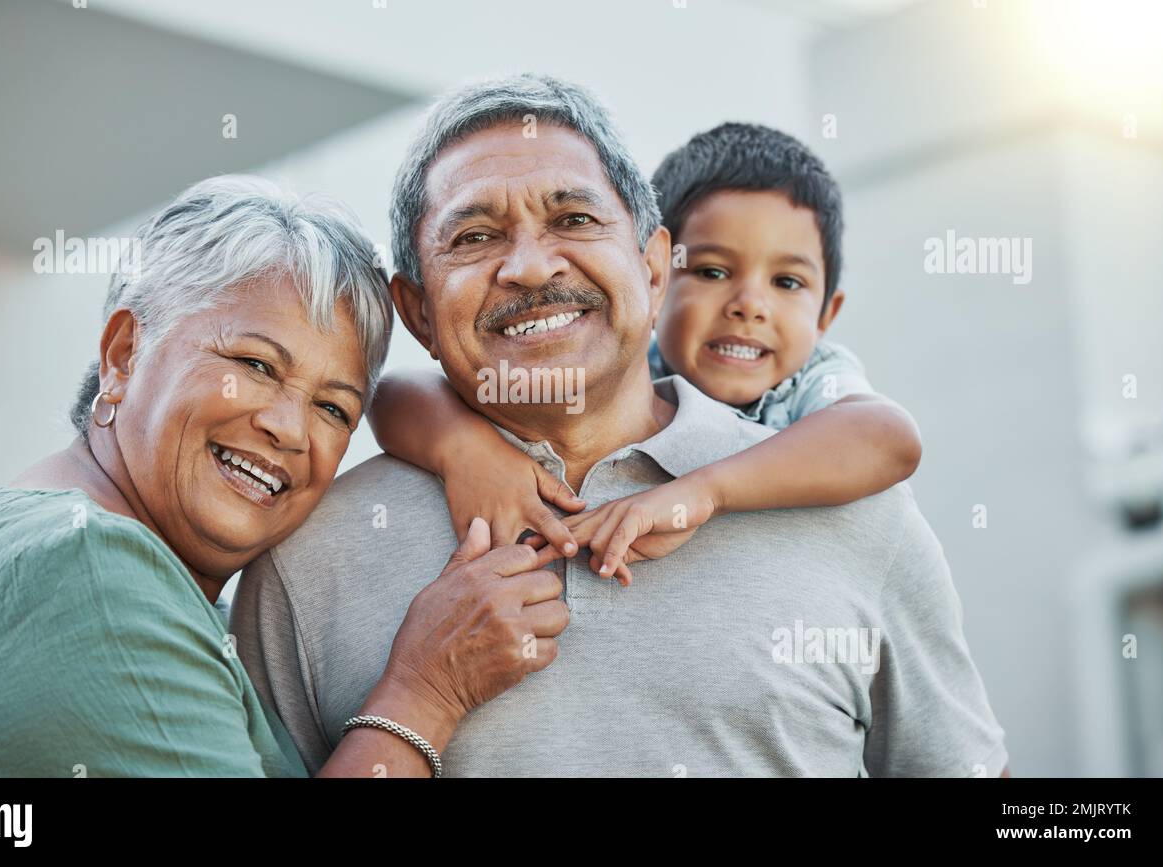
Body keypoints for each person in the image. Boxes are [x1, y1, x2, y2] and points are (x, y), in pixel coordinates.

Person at [231, 74, 1010, 777]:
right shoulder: (304, 561)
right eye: (474, 237)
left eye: (573, 217)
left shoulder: (852, 509)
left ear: (652, 265)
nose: (532, 268)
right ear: (418, 312)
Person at [0, 176, 567, 778]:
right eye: (256, 365)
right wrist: (427, 689)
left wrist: (457, 445)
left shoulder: (102, 556)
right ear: (123, 353)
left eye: (333, 407)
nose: (290, 430)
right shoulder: (88, 568)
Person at [369, 122, 923, 584]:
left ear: (828, 315)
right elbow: (392, 393)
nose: (749, 306)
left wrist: (705, 491)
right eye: (711, 272)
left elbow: (890, 438)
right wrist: (463, 451)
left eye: (787, 283)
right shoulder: (627, 359)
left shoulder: (810, 384)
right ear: (658, 278)